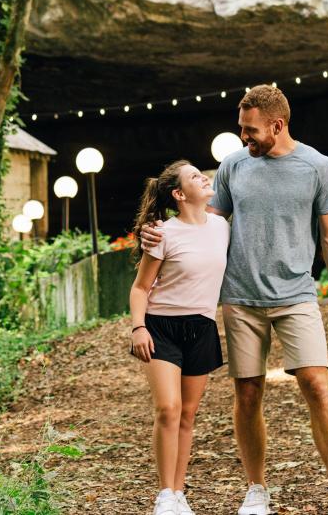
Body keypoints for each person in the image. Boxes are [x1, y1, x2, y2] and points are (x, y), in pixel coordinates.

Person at [142, 85, 328, 515]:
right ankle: (256, 490)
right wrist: (157, 230)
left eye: (250, 130)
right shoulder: (232, 166)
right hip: (241, 297)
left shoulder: (317, 166)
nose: (244, 138)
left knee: (318, 386)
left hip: (296, 294)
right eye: (241, 129)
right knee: (247, 393)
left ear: (277, 125)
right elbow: (202, 223)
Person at [129, 160, 230, 515]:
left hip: (201, 327)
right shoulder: (163, 233)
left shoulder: (221, 227)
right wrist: (138, 327)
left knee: (187, 414)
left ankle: (179, 492)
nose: (203, 177)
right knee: (168, 409)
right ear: (178, 194)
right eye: (193, 177)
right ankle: (164, 496)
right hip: (161, 327)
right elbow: (141, 288)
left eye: (201, 173)